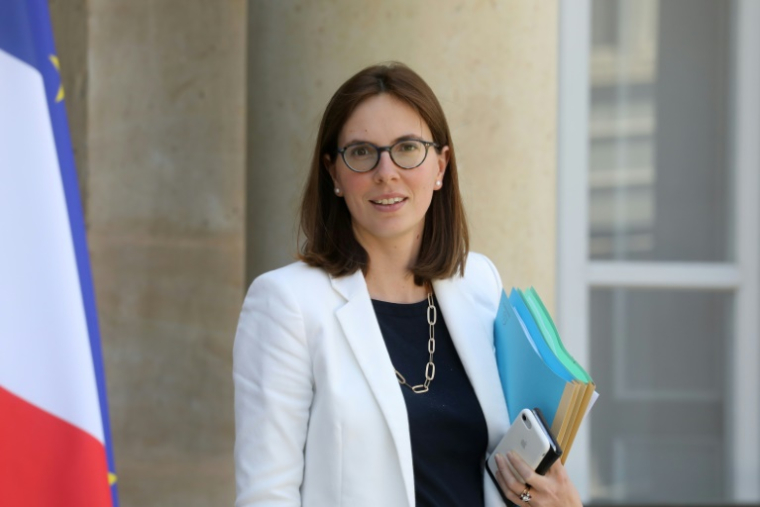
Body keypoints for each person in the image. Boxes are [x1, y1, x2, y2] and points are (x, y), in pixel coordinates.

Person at [233, 62, 583, 507]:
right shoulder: (287, 304)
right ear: (333, 173)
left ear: (441, 165)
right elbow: (267, 495)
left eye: (408, 148)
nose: (386, 171)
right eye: (361, 152)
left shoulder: (478, 284)